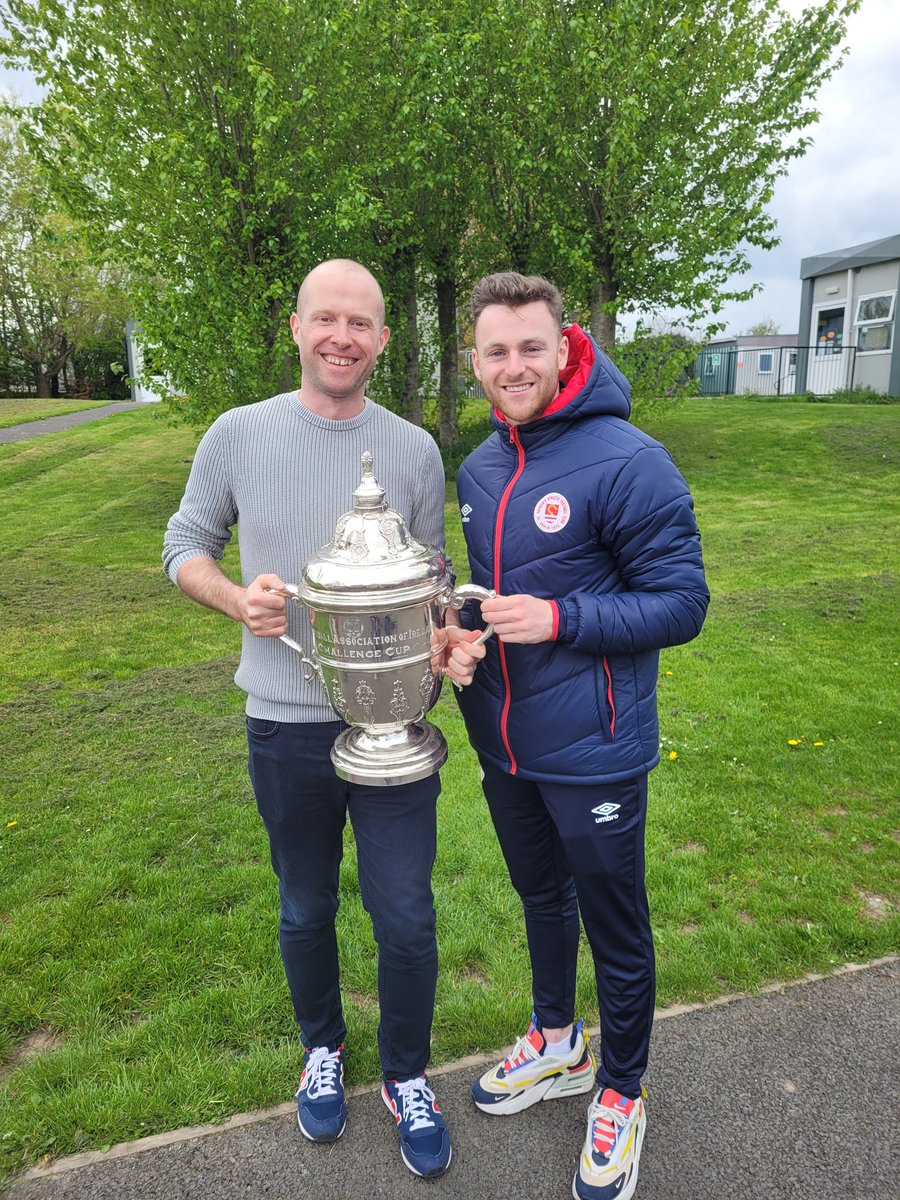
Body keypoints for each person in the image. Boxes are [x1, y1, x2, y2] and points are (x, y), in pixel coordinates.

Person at [162, 259, 481, 1180]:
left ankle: (407, 1075)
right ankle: (323, 1053)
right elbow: (184, 543)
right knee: (304, 904)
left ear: (383, 340)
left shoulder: (414, 450)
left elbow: (435, 579)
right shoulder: (237, 435)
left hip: (394, 725)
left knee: (408, 917)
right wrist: (233, 599)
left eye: (362, 324)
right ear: (296, 328)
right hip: (286, 718)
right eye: (326, 319)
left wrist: (450, 643)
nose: (343, 337)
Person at [454, 272, 709, 1200]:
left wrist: (560, 620)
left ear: (565, 347)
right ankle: (558, 1040)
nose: (514, 365)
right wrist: (461, 634)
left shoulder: (629, 458)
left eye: (531, 346)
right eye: (495, 350)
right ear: (473, 360)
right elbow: (494, 598)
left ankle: (621, 1090)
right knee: (539, 899)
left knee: (615, 922)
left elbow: (683, 604)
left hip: (596, 746)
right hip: (506, 743)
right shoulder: (481, 466)